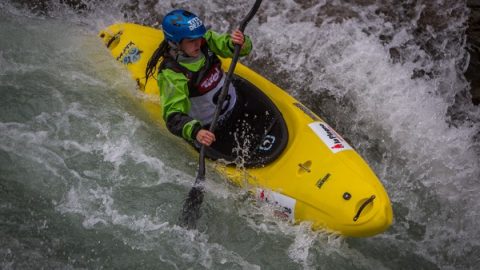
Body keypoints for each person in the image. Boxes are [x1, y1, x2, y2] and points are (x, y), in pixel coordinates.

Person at [145, 9, 253, 149]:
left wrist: (240, 43)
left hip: (238, 103)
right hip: (212, 129)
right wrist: (196, 132)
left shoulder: (205, 41)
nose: (198, 43)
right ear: (176, 43)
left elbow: (233, 47)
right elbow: (173, 117)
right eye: (191, 41)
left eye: (199, 37)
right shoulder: (172, 74)